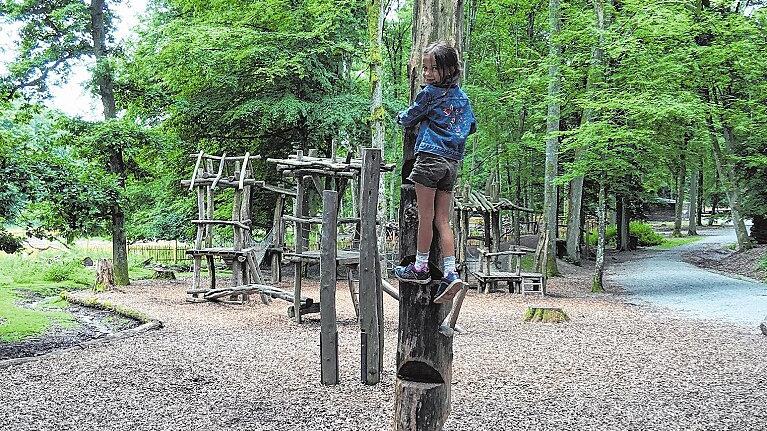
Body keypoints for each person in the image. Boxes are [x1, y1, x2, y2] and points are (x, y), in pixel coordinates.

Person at [394, 41, 477, 304]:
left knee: (425, 217)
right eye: (425, 68)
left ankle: (420, 267)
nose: (427, 74)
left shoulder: (430, 94)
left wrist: (401, 118)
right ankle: (451, 272)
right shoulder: (462, 98)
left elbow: (409, 117)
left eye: (433, 68)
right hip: (452, 163)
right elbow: (471, 126)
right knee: (443, 220)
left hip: (429, 159)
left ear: (449, 69)